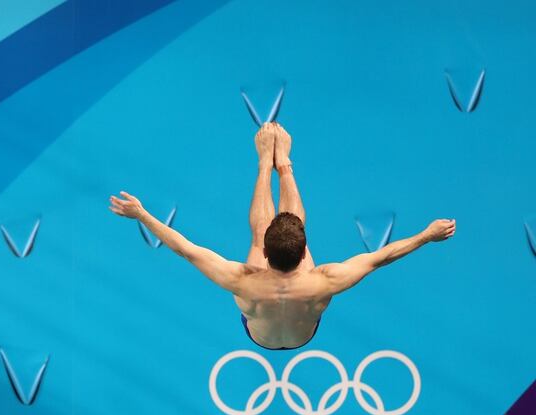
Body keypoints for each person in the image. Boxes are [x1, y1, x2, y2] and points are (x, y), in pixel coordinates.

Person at [108, 122, 455, 350]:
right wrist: (426, 235)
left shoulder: (242, 280)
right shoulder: (326, 280)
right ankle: (284, 164)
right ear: (304, 254)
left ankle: (264, 164)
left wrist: (141, 214)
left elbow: (184, 248)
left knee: (261, 232)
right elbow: (383, 256)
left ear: (268, 257)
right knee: (287, 228)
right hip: (306, 327)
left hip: (258, 328)